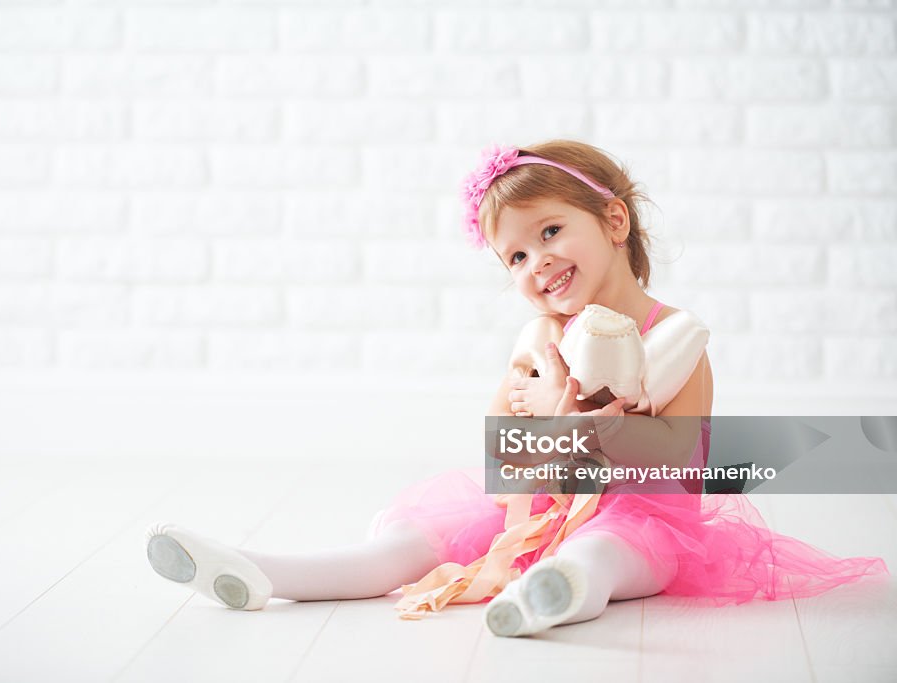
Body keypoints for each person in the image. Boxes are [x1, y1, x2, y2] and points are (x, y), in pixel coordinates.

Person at [145, 139, 889, 637]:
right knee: (415, 541)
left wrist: (590, 422)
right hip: (532, 509)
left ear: (614, 219)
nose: (537, 262)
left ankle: (553, 596)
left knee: (607, 549)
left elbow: (678, 464)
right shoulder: (542, 345)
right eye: (516, 255)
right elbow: (507, 461)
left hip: (645, 518)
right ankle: (267, 571)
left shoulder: (674, 339)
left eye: (552, 232)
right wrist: (529, 406)